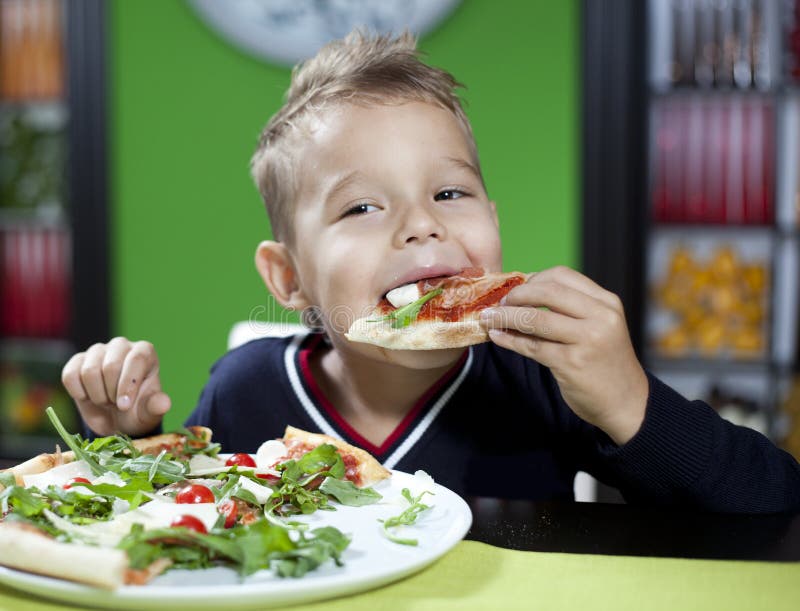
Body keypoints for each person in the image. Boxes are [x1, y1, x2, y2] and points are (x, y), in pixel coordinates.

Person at [61, 31, 800, 512]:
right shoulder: (245, 389)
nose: (422, 222)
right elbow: (175, 526)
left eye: (450, 192)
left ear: (495, 222)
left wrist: (629, 400)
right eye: (361, 207)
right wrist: (133, 439)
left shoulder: (542, 385)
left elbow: (773, 507)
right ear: (288, 279)